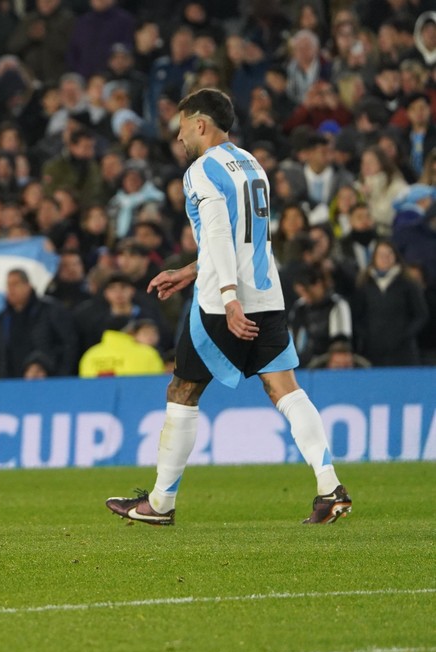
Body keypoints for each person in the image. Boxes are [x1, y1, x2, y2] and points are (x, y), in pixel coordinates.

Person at [106, 89, 351, 526]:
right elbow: (243, 238)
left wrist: (228, 298)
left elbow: (218, 235)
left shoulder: (201, 171)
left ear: (201, 124)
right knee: (285, 389)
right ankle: (329, 487)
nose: (178, 135)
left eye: (182, 125)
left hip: (225, 303)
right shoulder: (251, 164)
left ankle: (160, 503)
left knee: (183, 390)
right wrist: (189, 271)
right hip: (267, 294)